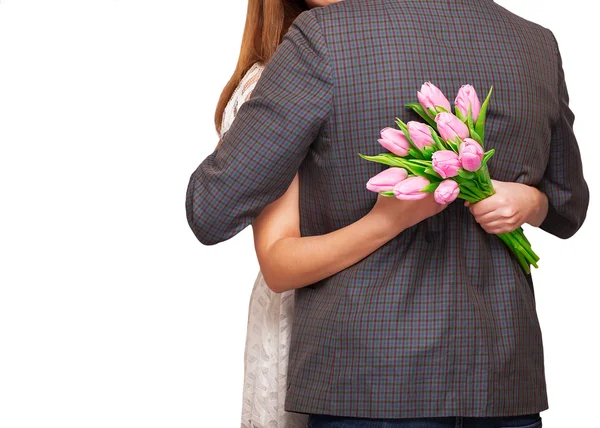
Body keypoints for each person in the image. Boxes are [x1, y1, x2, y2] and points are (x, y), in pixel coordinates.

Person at [187, 0, 589, 427]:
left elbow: (211, 210)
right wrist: (534, 200)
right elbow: (569, 207)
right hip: (504, 380)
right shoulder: (535, 42)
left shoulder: (325, 36)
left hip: (371, 382)